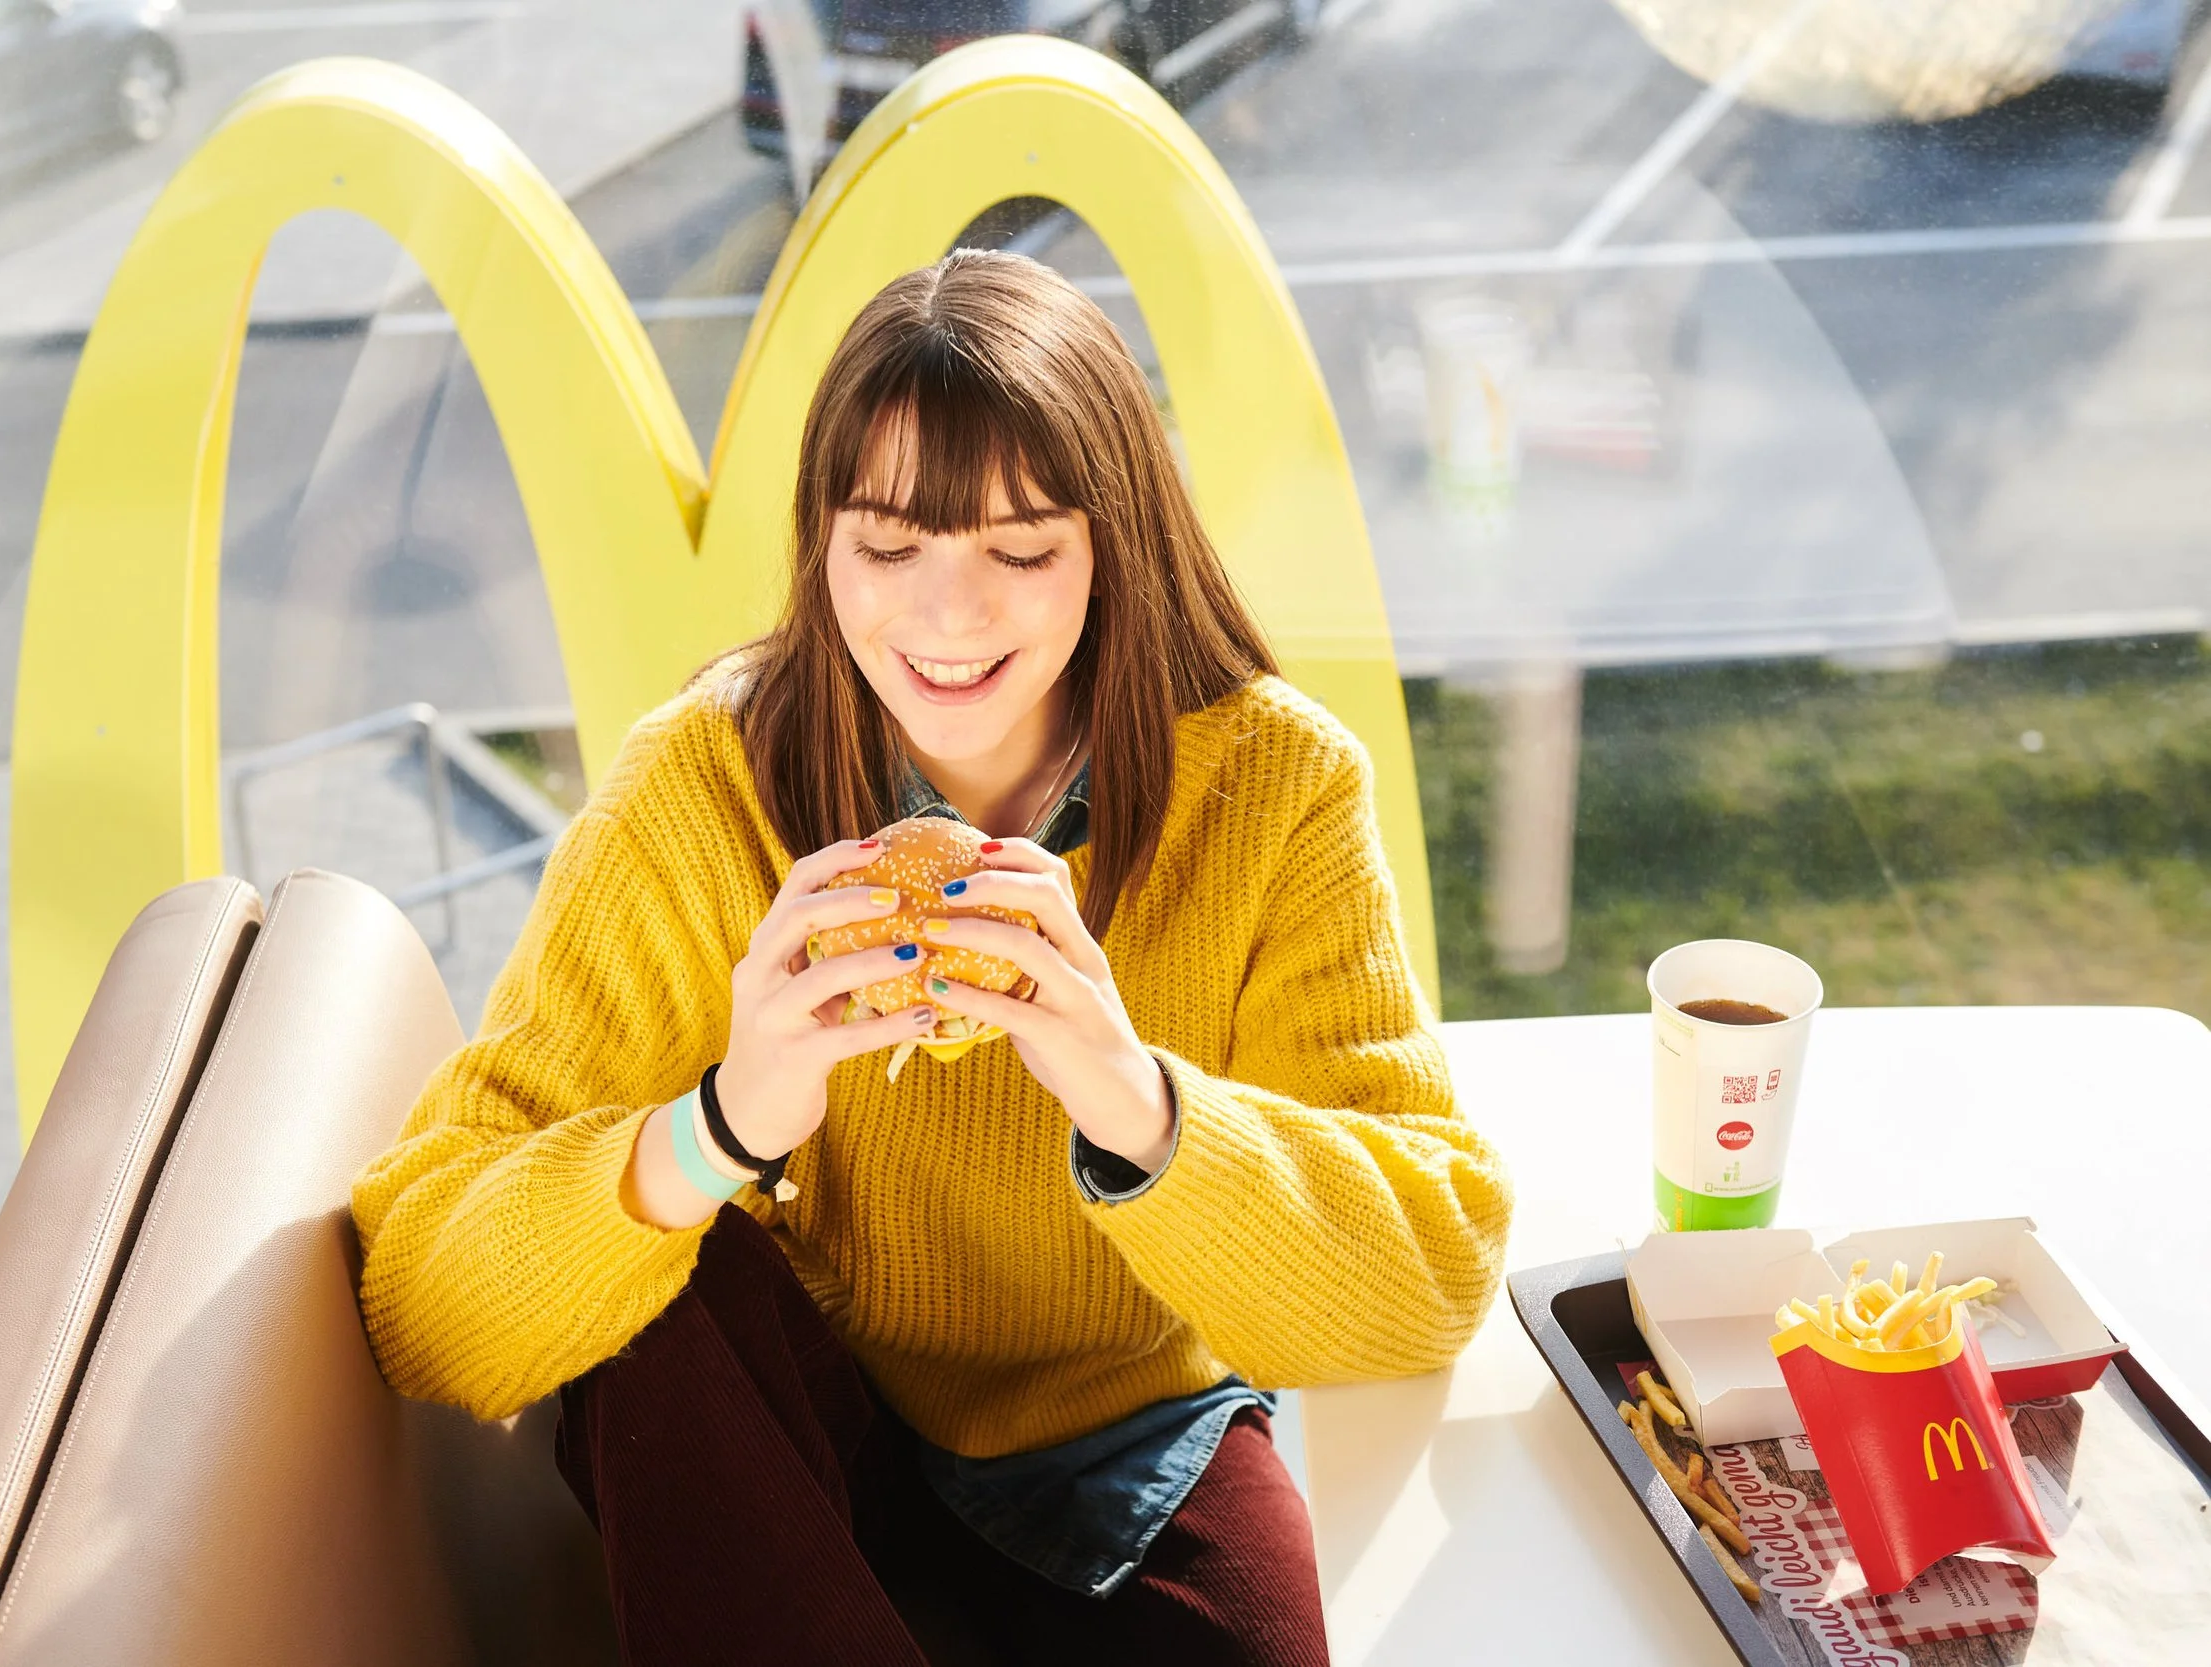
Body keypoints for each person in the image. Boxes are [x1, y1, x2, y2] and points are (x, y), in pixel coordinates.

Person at [352, 248, 1513, 1665]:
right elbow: (421, 1302)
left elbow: (1433, 1271)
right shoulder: (701, 795)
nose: (946, 620)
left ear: (1115, 544)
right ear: (820, 545)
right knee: (672, 1283)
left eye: (1021, 551)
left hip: (1135, 1439)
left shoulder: (1274, 789)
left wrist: (1133, 1097)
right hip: (807, 1433)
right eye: (887, 547)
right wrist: (724, 1124)